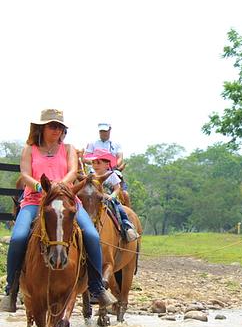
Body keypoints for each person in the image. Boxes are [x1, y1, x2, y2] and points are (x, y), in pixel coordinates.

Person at [0, 109, 117, 312]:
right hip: (35, 200)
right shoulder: (30, 149)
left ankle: (97, 287)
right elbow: (25, 173)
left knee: (91, 235)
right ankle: (11, 288)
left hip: (66, 200)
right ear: (42, 128)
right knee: (18, 237)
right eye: (53, 126)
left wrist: (59, 188)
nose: (57, 130)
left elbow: (73, 171)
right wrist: (40, 187)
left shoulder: (69, 149)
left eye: (60, 127)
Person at [84, 148, 138, 242]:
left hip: (109, 199)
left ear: (107, 164)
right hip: (94, 199)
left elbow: (117, 188)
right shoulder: (90, 175)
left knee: (120, 210)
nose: (95, 165)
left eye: (98, 162)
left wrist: (112, 196)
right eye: (93, 163)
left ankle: (127, 226)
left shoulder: (111, 175)